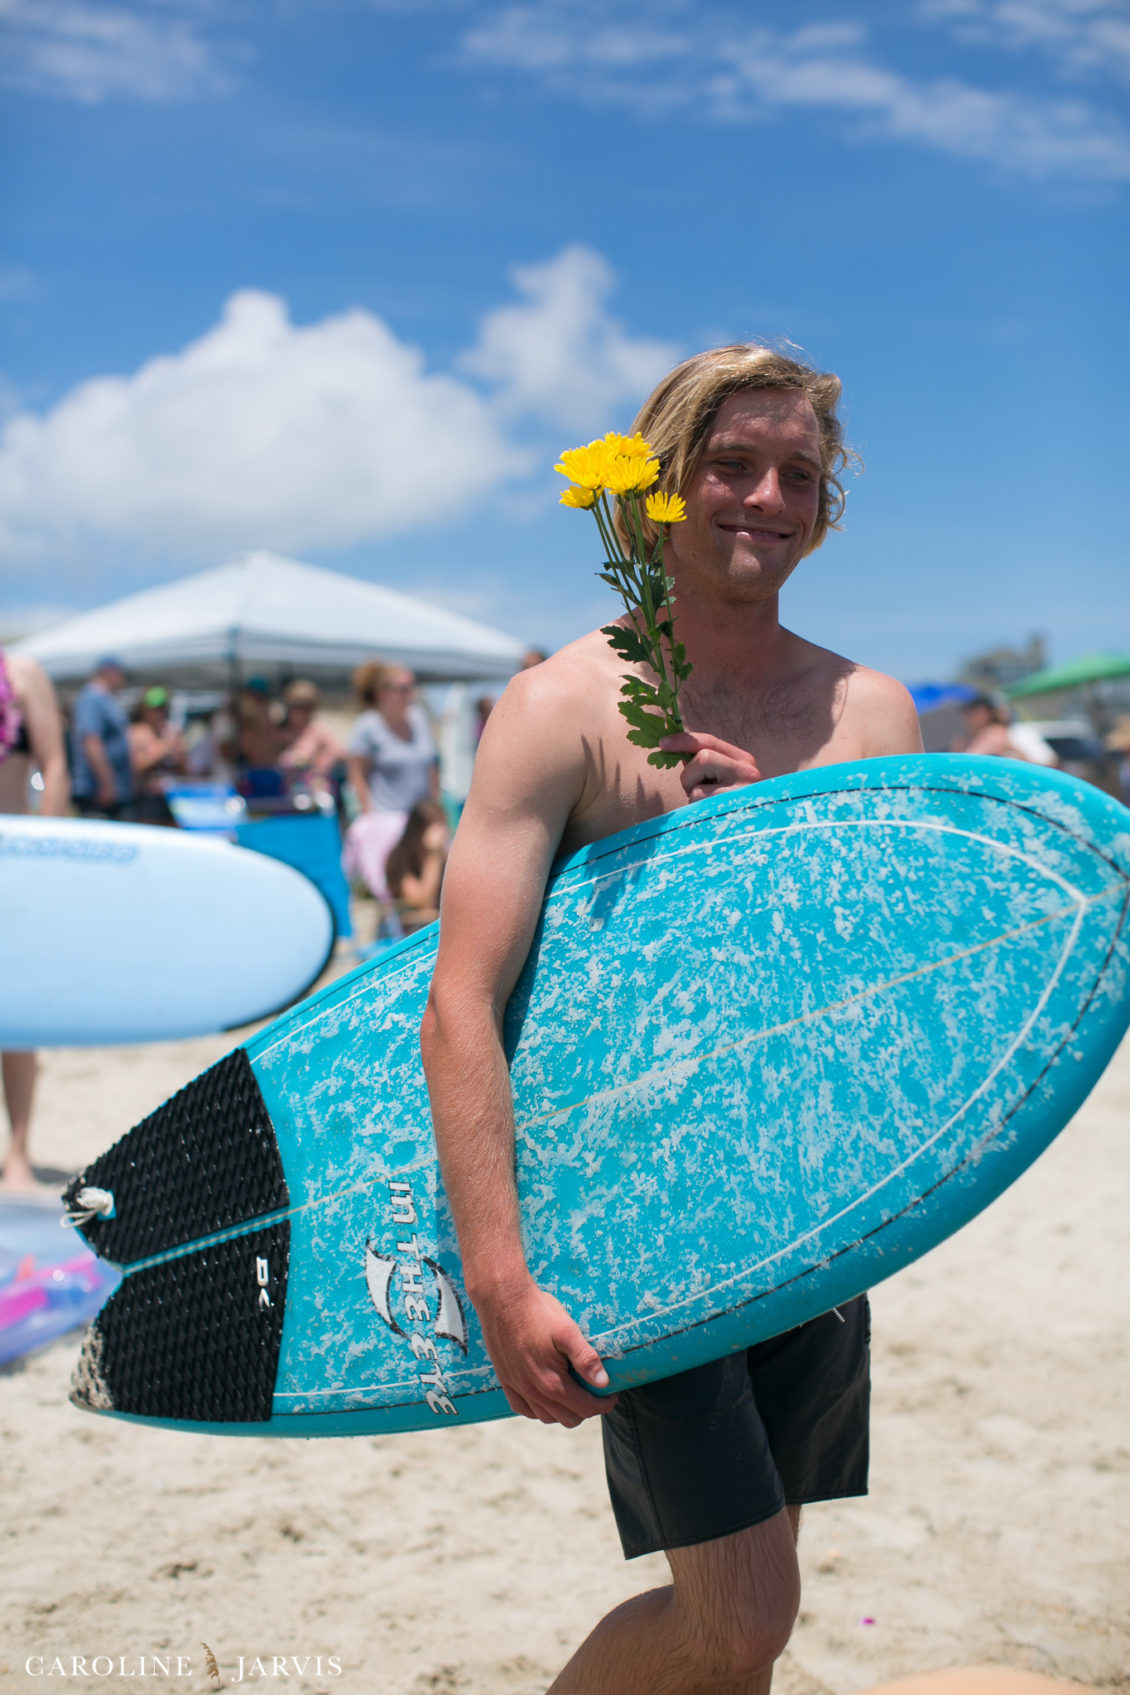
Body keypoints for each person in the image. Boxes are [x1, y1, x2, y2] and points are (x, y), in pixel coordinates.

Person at [420, 343, 923, 1694]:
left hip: (810, 1209)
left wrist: (768, 856)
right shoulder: (560, 708)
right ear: (658, 482)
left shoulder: (869, 711)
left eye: (797, 474)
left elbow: (902, 976)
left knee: (745, 1619)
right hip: (634, 1212)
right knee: (742, 1609)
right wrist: (500, 1274)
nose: (766, 494)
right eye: (731, 464)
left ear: (824, 506)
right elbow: (460, 1000)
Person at [0, 646, 69, 1188]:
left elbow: (55, 764)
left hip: (11, 858)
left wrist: (47, 856)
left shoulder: (21, 676)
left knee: (13, 1011)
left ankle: (18, 1151)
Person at [343, 663, 439, 900]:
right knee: (405, 893)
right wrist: (369, 816)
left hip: (422, 822)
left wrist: (435, 812)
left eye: (412, 687)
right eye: (403, 688)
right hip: (387, 823)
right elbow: (357, 774)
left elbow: (432, 767)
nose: (411, 694)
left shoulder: (419, 720)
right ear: (381, 693)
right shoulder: (368, 726)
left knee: (433, 882)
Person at [70, 657, 133, 818]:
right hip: (97, 791)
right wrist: (106, 784)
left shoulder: (106, 698)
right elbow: (91, 741)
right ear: (110, 672)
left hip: (110, 788)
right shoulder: (92, 698)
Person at [385, 799, 450, 931]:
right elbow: (424, 902)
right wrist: (432, 856)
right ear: (419, 830)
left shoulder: (443, 854)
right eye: (435, 827)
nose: (441, 833)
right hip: (416, 931)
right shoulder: (400, 860)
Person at [278, 679, 346, 802]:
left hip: (314, 793)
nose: (299, 712)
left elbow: (341, 752)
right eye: (295, 707)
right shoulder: (281, 730)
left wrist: (321, 760)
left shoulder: (318, 729)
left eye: (305, 708)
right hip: (286, 796)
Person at [127, 685, 187, 824]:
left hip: (173, 800)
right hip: (147, 801)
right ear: (144, 710)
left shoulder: (171, 732)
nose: (160, 713)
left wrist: (180, 754)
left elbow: (186, 770)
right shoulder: (137, 732)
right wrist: (164, 748)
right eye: (155, 709)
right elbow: (135, 766)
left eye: (163, 708)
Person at [952, 696, 1035, 762]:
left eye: (971, 713)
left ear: (985, 713)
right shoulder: (965, 738)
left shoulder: (994, 732)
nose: (967, 717)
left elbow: (970, 759)